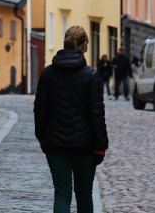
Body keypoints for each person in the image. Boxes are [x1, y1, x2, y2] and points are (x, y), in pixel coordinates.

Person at [34, 26, 108, 213]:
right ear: (84, 45)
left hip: (55, 144)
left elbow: (40, 110)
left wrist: (42, 138)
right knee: (84, 193)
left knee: (61, 194)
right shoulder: (91, 76)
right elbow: (97, 114)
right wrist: (100, 146)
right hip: (84, 146)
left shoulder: (48, 74)